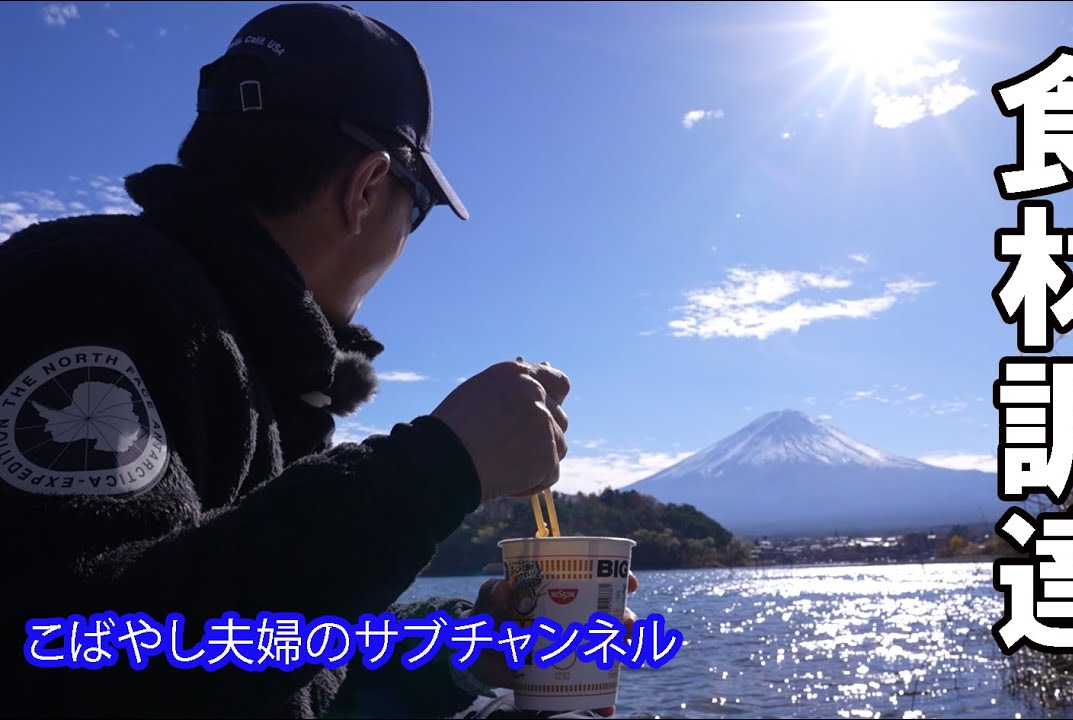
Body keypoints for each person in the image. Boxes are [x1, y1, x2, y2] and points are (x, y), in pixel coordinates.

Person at [0, 3, 634, 718]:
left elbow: (283, 670)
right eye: (417, 208)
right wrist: (438, 466)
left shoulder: (249, 361)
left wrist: (480, 644)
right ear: (366, 187)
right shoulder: (87, 293)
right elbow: (78, 659)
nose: (407, 238)